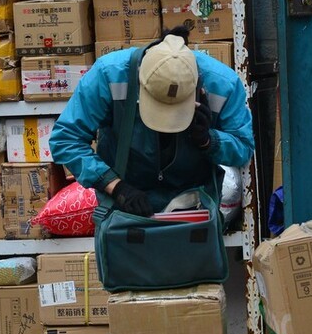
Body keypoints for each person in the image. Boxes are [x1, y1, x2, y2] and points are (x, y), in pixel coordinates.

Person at [50, 30, 254, 216]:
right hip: (124, 208)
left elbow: (243, 146)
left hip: (195, 208)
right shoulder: (109, 74)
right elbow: (66, 139)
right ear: (141, 83)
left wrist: (209, 140)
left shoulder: (223, 84)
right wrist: (114, 185)